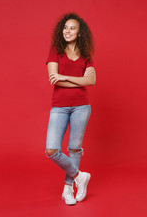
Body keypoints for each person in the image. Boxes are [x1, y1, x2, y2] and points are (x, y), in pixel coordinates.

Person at [45, 13, 96, 205]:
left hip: (82, 106)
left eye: (72, 28)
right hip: (60, 107)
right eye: (65, 28)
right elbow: (53, 79)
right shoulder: (56, 51)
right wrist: (79, 80)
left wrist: (65, 77)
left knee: (74, 148)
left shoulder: (85, 55)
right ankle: (79, 176)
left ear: (80, 32)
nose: (68, 31)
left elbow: (92, 80)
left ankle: (68, 190)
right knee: (52, 149)